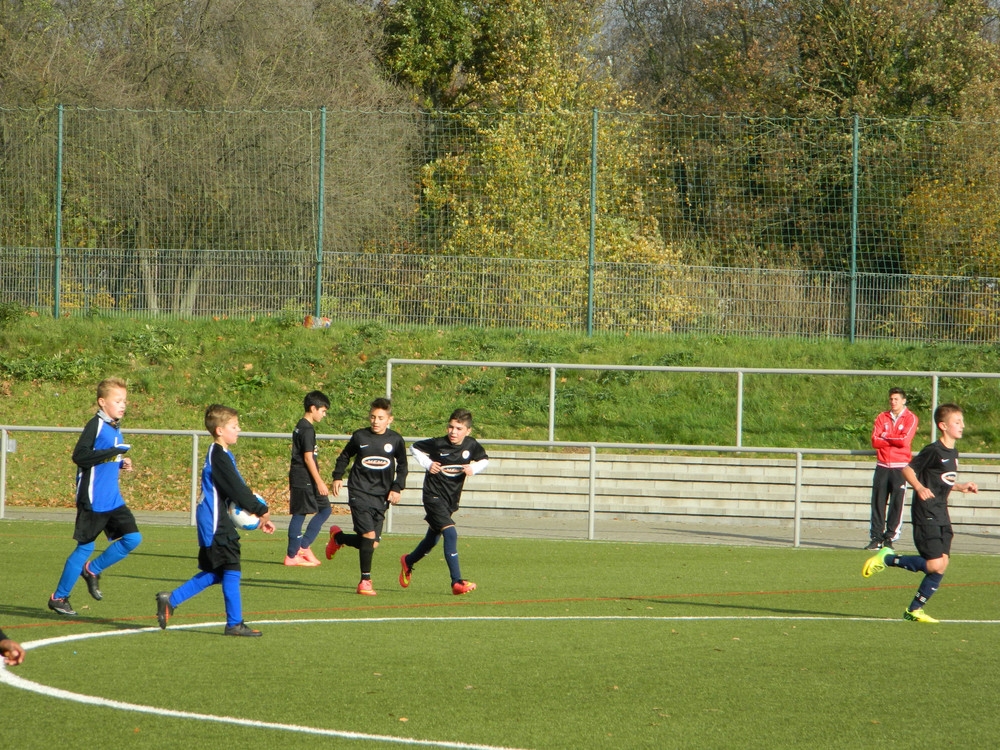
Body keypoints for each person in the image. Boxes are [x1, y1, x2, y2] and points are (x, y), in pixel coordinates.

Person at [156, 404, 275, 637]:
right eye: (234, 426)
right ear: (220, 430)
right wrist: (261, 510)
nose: (239, 429)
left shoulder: (222, 454)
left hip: (215, 519)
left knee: (220, 571)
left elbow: (231, 490)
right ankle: (234, 624)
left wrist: (255, 514)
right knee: (231, 567)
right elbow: (236, 489)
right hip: (214, 521)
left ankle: (171, 599)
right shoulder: (219, 456)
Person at [862, 403, 978, 623]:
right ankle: (887, 558)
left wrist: (960, 486)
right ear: (943, 426)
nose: (962, 425)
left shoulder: (953, 452)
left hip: (941, 512)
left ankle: (914, 610)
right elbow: (907, 469)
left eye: (962, 421)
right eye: (957, 422)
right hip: (926, 512)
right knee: (934, 564)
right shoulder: (933, 450)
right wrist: (918, 487)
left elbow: (940, 480)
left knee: (942, 564)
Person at [48, 377, 142, 616]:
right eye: (117, 401)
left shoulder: (114, 427)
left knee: (133, 539)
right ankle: (59, 597)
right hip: (93, 499)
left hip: (113, 499)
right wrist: (113, 452)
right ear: (102, 402)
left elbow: (104, 459)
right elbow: (80, 456)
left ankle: (92, 570)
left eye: (124, 401)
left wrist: (121, 462)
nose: (123, 405)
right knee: (84, 548)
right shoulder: (95, 425)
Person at [399, 408, 488, 595]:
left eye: (459, 429)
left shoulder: (471, 445)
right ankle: (457, 582)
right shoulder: (438, 444)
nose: (453, 432)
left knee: (432, 539)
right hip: (432, 496)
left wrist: (474, 468)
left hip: (450, 499)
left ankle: (408, 561)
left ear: (468, 431)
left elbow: (484, 459)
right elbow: (414, 447)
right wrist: (428, 464)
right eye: (451, 427)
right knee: (450, 533)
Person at [324, 398, 407, 596]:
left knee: (372, 543)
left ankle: (339, 538)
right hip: (359, 491)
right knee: (369, 537)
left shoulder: (395, 440)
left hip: (381, 495)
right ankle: (365, 581)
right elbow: (345, 456)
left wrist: (397, 487)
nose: (375, 421)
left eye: (380, 418)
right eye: (372, 417)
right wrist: (338, 476)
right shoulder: (360, 436)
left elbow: (403, 466)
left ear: (389, 419)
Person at [865, 387, 919, 550]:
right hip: (882, 465)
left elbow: (904, 441)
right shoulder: (882, 417)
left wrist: (886, 436)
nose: (893, 402)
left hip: (900, 467)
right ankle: (876, 538)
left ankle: (890, 538)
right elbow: (875, 441)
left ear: (903, 401)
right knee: (878, 503)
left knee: (896, 504)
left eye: (896, 399)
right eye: (891, 399)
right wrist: (892, 439)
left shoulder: (911, 418)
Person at [285, 390, 332, 567]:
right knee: (300, 513)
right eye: (323, 411)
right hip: (303, 477)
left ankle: (303, 546)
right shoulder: (306, 429)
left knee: (325, 509)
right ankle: (292, 555)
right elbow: (307, 457)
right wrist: (319, 482)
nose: (324, 415)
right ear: (313, 408)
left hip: (306, 478)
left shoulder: (301, 426)